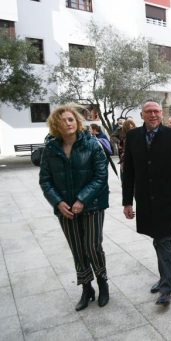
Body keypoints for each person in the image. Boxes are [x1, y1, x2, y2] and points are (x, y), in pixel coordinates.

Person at [39, 104, 110, 311]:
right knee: (77, 249)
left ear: (77, 121)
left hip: (92, 205)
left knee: (92, 246)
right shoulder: (51, 149)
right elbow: (45, 181)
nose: (67, 123)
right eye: (62, 121)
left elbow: (100, 176)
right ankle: (87, 288)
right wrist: (58, 203)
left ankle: (102, 282)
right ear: (55, 125)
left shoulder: (92, 144)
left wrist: (82, 200)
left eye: (70, 119)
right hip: (65, 209)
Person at [122, 100, 171, 305]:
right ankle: (164, 278)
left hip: (167, 200)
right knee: (157, 239)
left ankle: (166, 288)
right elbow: (129, 173)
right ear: (141, 114)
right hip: (145, 200)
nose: (153, 115)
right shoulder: (133, 136)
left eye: (156, 111)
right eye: (149, 111)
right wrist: (127, 202)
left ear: (161, 114)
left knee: (163, 240)